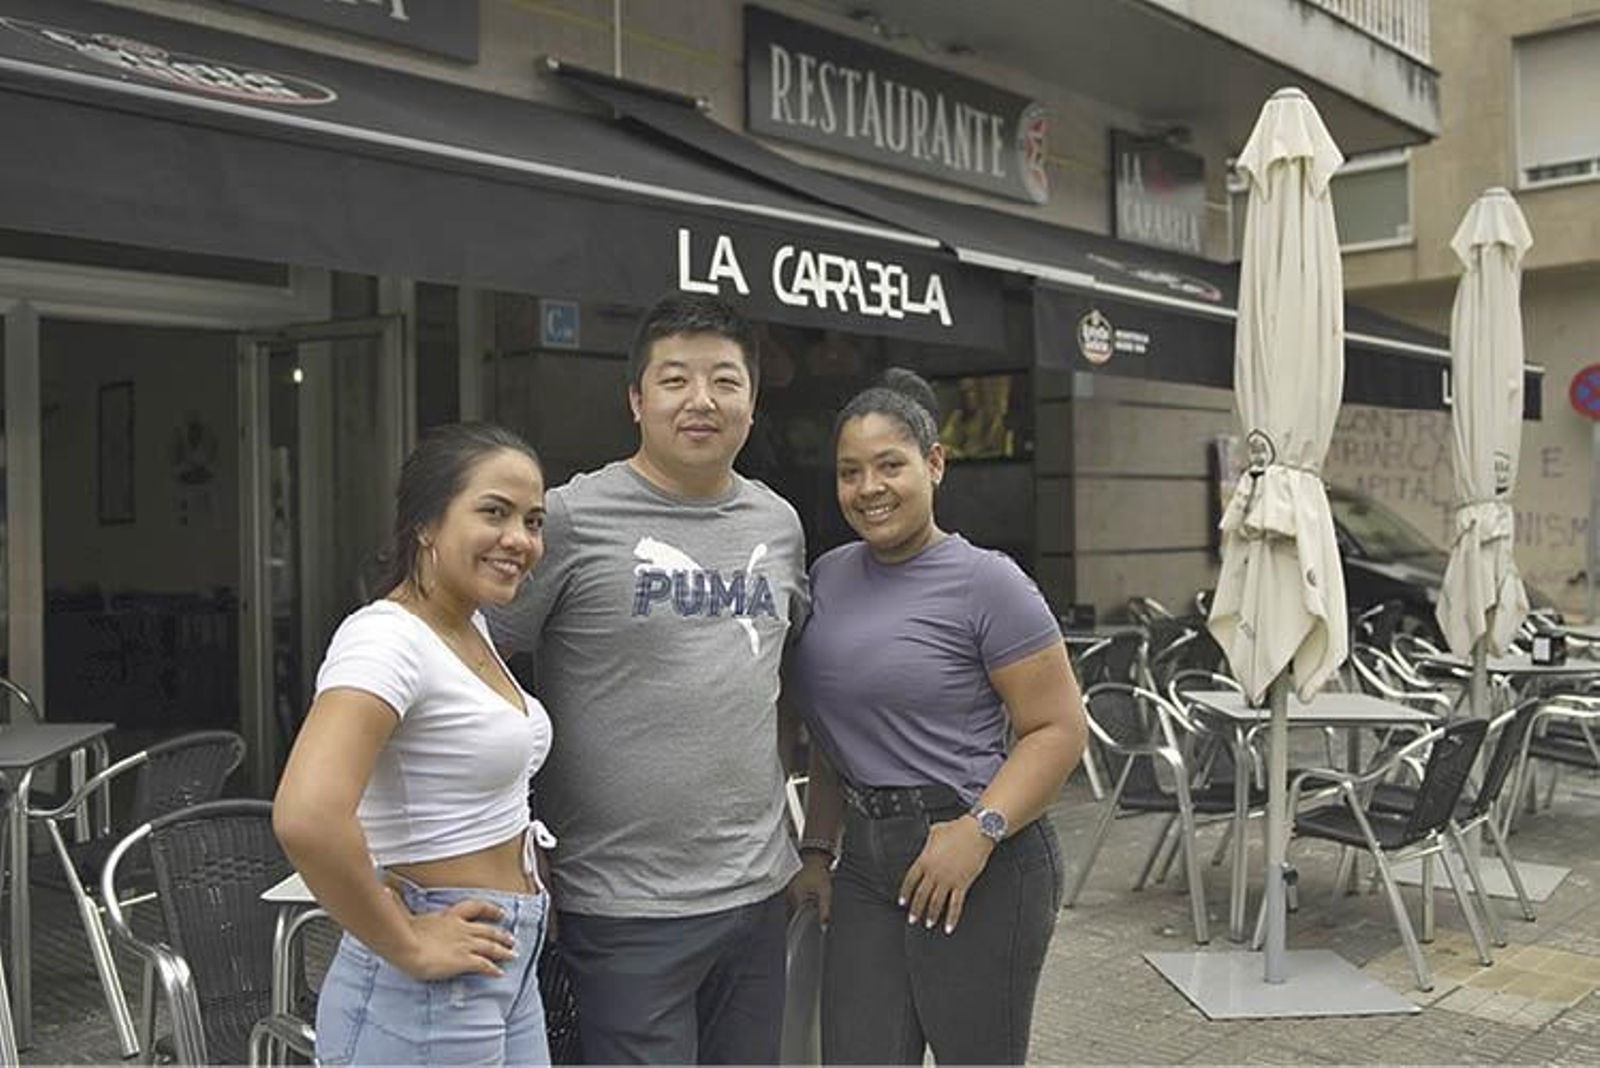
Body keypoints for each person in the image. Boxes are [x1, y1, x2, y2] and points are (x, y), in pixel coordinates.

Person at [487, 293, 808, 1064]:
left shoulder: (779, 524)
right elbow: (472, 665)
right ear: (636, 399)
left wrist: (818, 840)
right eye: (674, 380)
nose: (701, 400)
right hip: (622, 907)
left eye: (725, 381)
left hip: (759, 896)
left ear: (752, 403)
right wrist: (509, 838)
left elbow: (786, 678)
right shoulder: (566, 519)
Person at [788, 369, 1088, 1065]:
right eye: (849, 472)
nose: (869, 488)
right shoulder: (828, 575)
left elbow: (1059, 730)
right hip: (865, 861)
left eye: (890, 465)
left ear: (934, 463)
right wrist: (815, 850)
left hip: (983, 856)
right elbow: (837, 732)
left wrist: (979, 832)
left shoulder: (989, 582)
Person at [273, 422, 554, 1066]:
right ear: (425, 524)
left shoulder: (469, 625)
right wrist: (406, 942)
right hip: (428, 986)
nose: (520, 539)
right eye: (494, 512)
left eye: (533, 521)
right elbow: (307, 816)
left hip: (499, 960)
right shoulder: (384, 638)